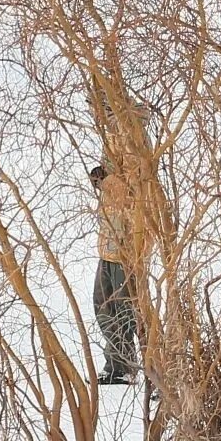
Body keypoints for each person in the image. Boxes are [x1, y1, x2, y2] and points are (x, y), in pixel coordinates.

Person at [91, 162, 138, 384]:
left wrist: (106, 181)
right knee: (103, 305)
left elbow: (133, 183)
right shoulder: (109, 134)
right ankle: (117, 365)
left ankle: (139, 369)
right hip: (109, 246)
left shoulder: (129, 133)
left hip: (126, 248)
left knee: (127, 311)